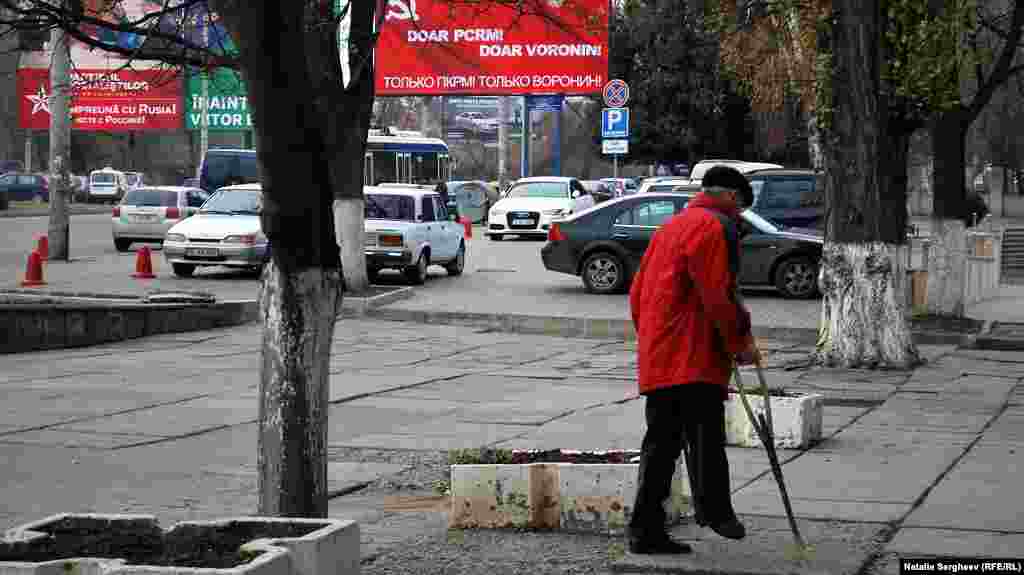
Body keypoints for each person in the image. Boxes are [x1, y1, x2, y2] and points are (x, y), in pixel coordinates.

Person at [626, 165, 760, 555]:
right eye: (739, 209)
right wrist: (740, 343)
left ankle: (644, 529)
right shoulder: (716, 227)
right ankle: (716, 511)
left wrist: (653, 337)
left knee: (661, 445)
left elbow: (636, 293)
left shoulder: (671, 226)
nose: (739, 218)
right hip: (694, 352)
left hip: (661, 352)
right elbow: (718, 294)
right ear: (732, 198)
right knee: (706, 437)